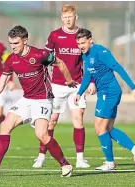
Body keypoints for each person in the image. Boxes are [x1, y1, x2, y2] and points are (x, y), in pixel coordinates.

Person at [0, 25, 77, 177]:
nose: (13, 46)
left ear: (25, 41)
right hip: (26, 99)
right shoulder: (10, 60)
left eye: (16, 43)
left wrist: (68, 81)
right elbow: (1, 83)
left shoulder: (40, 54)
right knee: (5, 125)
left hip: (43, 100)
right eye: (11, 43)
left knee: (41, 135)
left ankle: (65, 164)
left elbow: (60, 63)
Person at [74, 28, 135, 170]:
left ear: (90, 40)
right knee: (108, 128)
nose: (81, 46)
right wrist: (79, 92)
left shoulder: (101, 52)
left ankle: (110, 162)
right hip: (104, 93)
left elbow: (118, 68)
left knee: (99, 128)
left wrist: (133, 87)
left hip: (110, 92)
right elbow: (88, 75)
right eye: (78, 43)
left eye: (83, 42)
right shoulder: (85, 55)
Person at [33, 4, 94, 169]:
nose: (68, 19)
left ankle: (80, 159)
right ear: (62, 18)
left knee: (78, 119)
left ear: (76, 17)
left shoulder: (82, 35)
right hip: (57, 85)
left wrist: (92, 81)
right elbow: (45, 58)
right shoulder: (55, 35)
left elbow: (89, 60)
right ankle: (41, 156)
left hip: (77, 84)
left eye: (71, 16)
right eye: (65, 17)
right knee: (51, 122)